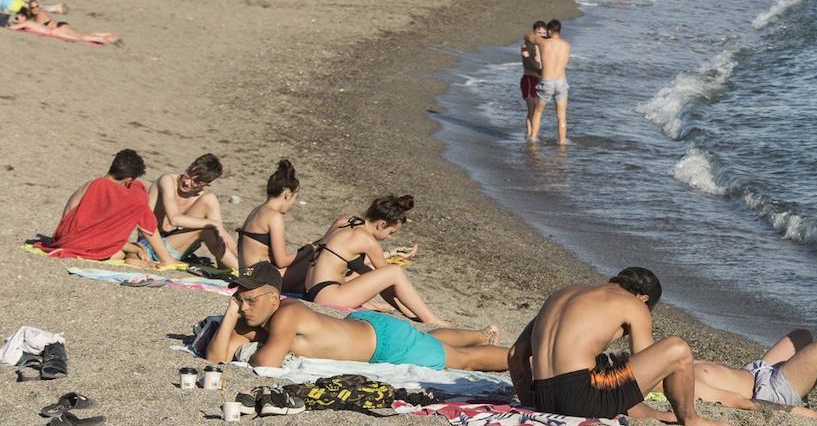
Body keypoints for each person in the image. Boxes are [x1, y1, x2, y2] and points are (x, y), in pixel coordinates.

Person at [507, 268, 730, 426]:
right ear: (644, 298)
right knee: (677, 349)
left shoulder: (562, 295)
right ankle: (691, 419)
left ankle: (660, 415)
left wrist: (531, 401)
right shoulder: (633, 304)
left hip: (543, 397)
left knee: (604, 373)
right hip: (580, 398)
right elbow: (646, 373)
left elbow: (515, 356)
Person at [205, 262, 505, 371]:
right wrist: (231, 313)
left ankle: (521, 358)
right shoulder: (258, 315)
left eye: (248, 301)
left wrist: (254, 343)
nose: (244, 308)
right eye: (239, 300)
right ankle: (480, 335)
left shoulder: (288, 313)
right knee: (426, 340)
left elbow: (267, 363)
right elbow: (217, 358)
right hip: (366, 329)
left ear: (274, 298)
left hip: (385, 344)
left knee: (463, 360)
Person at [299, 194, 448, 325]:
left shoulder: (344, 221)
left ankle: (414, 314)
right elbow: (388, 280)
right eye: (391, 232)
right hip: (327, 299)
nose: (390, 237)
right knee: (394, 271)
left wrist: (408, 311)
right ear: (381, 224)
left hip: (310, 290)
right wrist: (412, 305)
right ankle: (430, 319)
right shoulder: (367, 241)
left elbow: (334, 254)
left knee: (370, 271)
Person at [36, 149, 175, 265]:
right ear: (128, 180)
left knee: (124, 249)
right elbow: (145, 228)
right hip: (91, 247)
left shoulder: (91, 184)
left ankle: (133, 253)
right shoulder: (131, 197)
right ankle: (157, 258)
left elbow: (68, 217)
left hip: (64, 242)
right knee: (128, 250)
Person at [691, 330, 817, 423]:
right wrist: (795, 411)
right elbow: (739, 402)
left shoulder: (674, 364)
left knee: (801, 335)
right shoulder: (684, 383)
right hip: (768, 392)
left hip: (756, 371)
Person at [140, 154, 239, 271]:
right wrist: (216, 224)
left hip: (179, 246)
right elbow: (174, 219)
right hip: (152, 246)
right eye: (188, 174)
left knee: (210, 201)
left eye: (196, 182)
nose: (187, 182)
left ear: (206, 184)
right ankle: (246, 273)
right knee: (208, 229)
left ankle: (243, 268)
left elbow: (219, 234)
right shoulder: (167, 180)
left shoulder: (203, 198)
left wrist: (219, 229)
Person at [237, 159, 299, 270]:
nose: (293, 203)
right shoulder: (274, 216)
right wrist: (306, 252)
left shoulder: (257, 210)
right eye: (295, 198)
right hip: (259, 278)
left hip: (245, 274)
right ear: (287, 194)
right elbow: (281, 261)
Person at [528, 18, 570, 144]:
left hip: (547, 81)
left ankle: (533, 138)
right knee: (561, 116)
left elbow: (530, 37)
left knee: (538, 112)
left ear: (550, 31)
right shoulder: (567, 45)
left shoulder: (544, 43)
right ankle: (562, 141)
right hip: (561, 81)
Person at [520, 21, 548, 138]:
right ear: (534, 32)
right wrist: (540, 70)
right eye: (538, 32)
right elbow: (527, 62)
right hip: (529, 79)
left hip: (541, 80)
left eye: (543, 33)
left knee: (537, 111)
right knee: (531, 109)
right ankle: (530, 136)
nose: (541, 35)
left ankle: (532, 135)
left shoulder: (546, 45)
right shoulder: (526, 45)